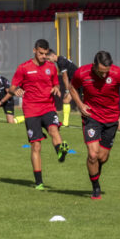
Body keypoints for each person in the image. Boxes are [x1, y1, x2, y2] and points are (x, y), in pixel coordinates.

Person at [69, 50, 120, 200]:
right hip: (91, 117)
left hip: (111, 119)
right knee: (93, 155)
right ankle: (96, 188)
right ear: (94, 66)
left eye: (107, 72)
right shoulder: (82, 73)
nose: (104, 75)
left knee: (103, 157)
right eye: (101, 72)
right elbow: (72, 87)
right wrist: (80, 105)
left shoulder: (117, 73)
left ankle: (95, 174)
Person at [9, 39, 70, 191]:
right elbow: (12, 87)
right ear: (34, 50)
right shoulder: (23, 68)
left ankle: (60, 153)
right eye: (41, 53)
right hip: (31, 111)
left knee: (54, 130)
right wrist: (15, 91)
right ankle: (39, 182)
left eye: (45, 53)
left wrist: (56, 88)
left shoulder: (51, 67)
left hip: (48, 107)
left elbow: (55, 83)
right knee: (36, 146)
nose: (43, 56)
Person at [46, 49, 78, 127]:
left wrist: (67, 90)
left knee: (66, 100)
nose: (48, 61)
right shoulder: (60, 60)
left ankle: (65, 123)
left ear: (53, 55)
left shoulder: (61, 62)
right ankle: (65, 123)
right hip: (76, 80)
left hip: (77, 80)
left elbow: (65, 76)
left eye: (48, 58)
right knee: (66, 100)